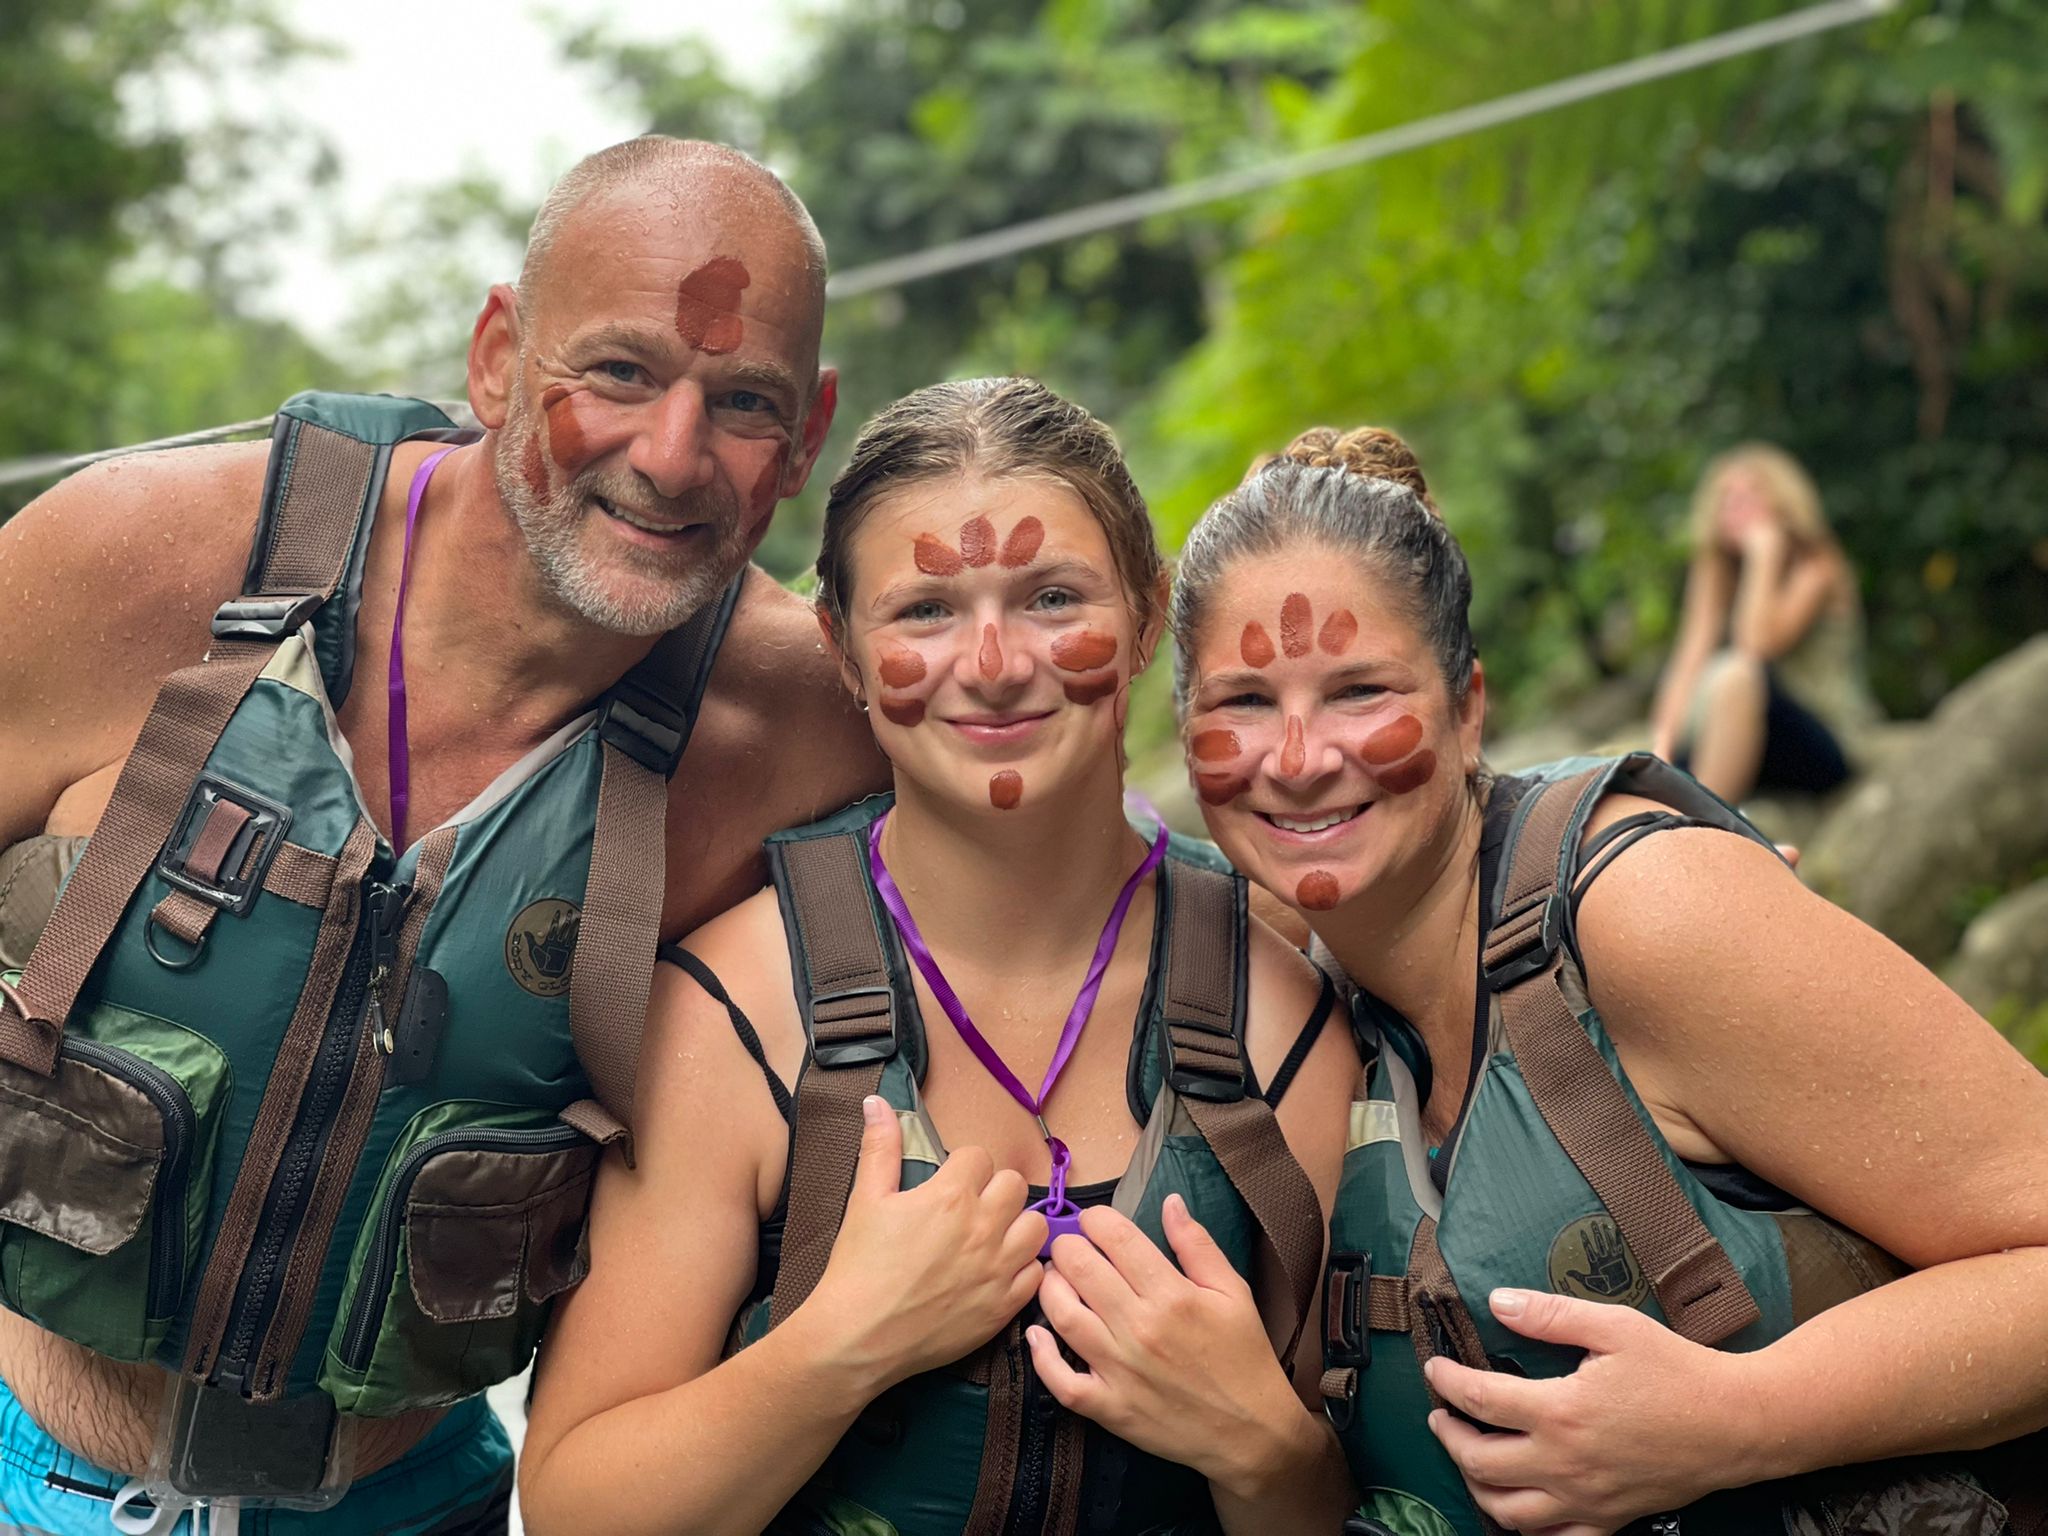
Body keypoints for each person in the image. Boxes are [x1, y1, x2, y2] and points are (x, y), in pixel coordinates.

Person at [0, 136, 885, 1532]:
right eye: (619, 372)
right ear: (496, 356)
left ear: (811, 429)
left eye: (743, 401)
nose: (672, 457)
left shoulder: (806, 729)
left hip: (423, 1503)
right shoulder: (132, 556)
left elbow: (1065, 897)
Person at [517, 378, 1361, 1536]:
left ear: (1147, 615)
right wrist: (834, 1351)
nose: (995, 662)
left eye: (1052, 597)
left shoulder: (1275, 1013)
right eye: (924, 611)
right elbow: (572, 1506)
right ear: (842, 651)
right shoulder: (734, 1014)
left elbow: (1357, 1497)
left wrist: (1262, 1451)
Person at [1170, 425, 2048, 1535]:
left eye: (1358, 691)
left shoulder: (1644, 913)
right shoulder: (1279, 996)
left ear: (1468, 708)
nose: (1296, 759)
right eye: (1243, 703)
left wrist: (1743, 1419)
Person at [1649, 443, 1881, 804]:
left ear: (1783, 501)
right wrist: (1661, 744)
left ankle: (1704, 822)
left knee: (1738, 674)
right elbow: (1689, 658)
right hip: (1746, 738)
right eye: (1727, 498)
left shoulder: (1817, 567)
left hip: (1820, 737)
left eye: (1751, 494)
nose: (1737, 506)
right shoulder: (1718, 571)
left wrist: (1764, 554)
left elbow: (1755, 647)